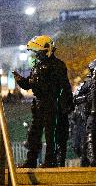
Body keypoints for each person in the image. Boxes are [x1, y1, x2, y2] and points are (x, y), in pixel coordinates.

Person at [13, 35, 74, 168]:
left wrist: (67, 104)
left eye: (38, 51)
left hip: (52, 104)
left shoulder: (57, 65)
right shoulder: (37, 66)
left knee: (50, 134)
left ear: (47, 49)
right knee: (34, 134)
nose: (36, 54)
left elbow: (65, 86)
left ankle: (50, 161)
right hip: (39, 104)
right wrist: (19, 79)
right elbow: (29, 84)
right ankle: (31, 160)